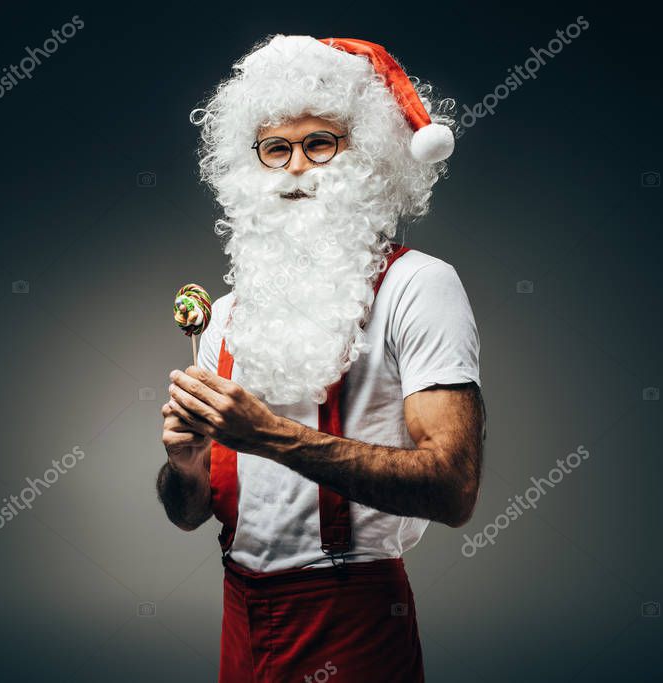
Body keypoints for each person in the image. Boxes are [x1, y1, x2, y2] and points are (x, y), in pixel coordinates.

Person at [155, 34, 484, 682]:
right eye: (275, 148)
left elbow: (453, 488)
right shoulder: (221, 315)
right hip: (239, 614)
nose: (296, 166)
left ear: (368, 156)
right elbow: (188, 513)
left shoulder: (418, 286)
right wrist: (183, 464)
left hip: (354, 620)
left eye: (319, 143)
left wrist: (270, 436)